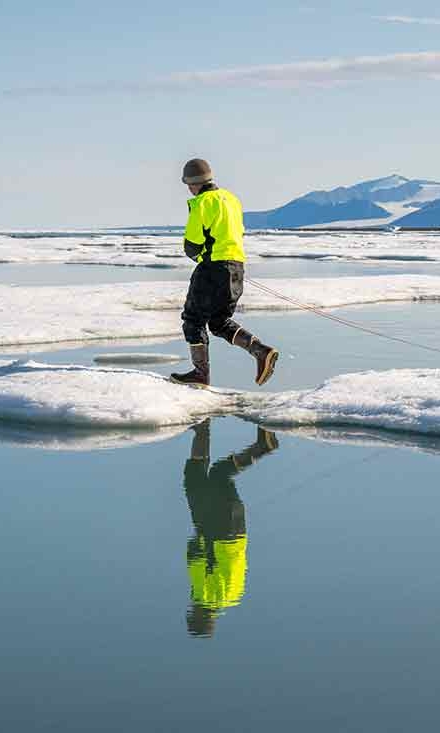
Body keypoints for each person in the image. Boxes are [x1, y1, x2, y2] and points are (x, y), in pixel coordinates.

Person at [171, 158, 279, 387]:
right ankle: (260, 351)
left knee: (193, 320)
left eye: (188, 184)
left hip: (213, 267)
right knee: (219, 321)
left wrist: (201, 259)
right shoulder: (231, 199)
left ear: (192, 183)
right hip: (236, 267)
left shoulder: (201, 202)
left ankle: (200, 374)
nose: (188, 189)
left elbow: (192, 244)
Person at [184, 419, 280, 637]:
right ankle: (203, 427)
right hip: (217, 531)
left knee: (217, 476)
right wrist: (194, 547)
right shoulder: (205, 596)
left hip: (236, 530)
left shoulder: (233, 596)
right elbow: (196, 558)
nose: (191, 608)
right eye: (193, 614)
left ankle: (259, 448)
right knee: (197, 479)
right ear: (200, 615)